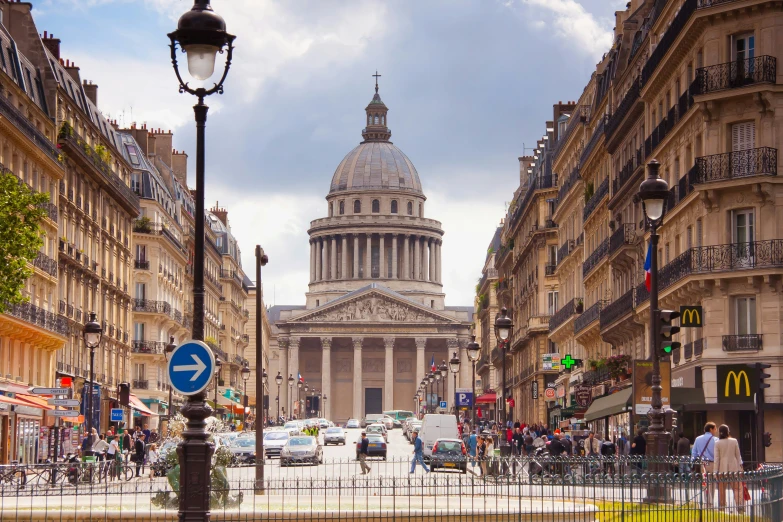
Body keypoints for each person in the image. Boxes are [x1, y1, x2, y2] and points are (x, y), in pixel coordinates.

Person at [714, 424, 743, 511]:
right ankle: (739, 505)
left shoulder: (717, 443)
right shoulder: (734, 441)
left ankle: (722, 507)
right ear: (728, 431)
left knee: (721, 489)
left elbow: (716, 458)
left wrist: (715, 471)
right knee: (737, 488)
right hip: (734, 467)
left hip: (722, 468)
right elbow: (738, 455)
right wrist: (740, 467)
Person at [692, 422, 718, 506]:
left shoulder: (698, 439)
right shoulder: (716, 440)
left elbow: (694, 452)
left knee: (705, 483)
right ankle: (711, 501)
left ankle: (707, 502)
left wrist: (694, 461)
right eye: (715, 428)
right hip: (713, 463)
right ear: (711, 429)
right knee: (713, 483)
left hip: (703, 464)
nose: (716, 430)